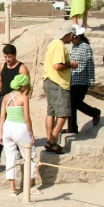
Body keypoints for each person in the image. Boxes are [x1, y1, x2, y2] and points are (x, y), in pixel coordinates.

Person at [0, 74, 41, 196]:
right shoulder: (24, 98)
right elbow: (27, 118)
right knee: (30, 155)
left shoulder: (6, 97)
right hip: (20, 128)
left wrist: (1, 132)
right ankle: (31, 186)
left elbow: (2, 116)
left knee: (10, 157)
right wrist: (32, 134)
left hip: (8, 127)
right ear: (23, 86)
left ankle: (12, 188)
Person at [0, 45, 29, 165]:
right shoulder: (3, 66)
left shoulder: (22, 68)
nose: (7, 59)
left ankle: (17, 150)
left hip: (16, 101)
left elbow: (26, 86)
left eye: (9, 57)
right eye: (5, 57)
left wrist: (20, 100)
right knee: (0, 127)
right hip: (4, 99)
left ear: (15, 55)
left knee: (16, 126)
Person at [43, 25, 77, 154]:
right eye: (72, 36)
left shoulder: (53, 44)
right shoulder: (59, 46)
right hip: (58, 83)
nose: (72, 39)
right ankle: (52, 140)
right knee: (64, 113)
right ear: (68, 34)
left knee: (51, 112)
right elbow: (57, 66)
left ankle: (50, 140)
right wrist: (71, 65)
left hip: (49, 81)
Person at [68, 26, 102, 134]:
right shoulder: (74, 48)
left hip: (82, 81)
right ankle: (72, 128)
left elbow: (90, 64)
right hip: (73, 80)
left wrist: (91, 80)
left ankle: (95, 112)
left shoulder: (86, 47)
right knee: (71, 104)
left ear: (78, 37)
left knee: (75, 102)